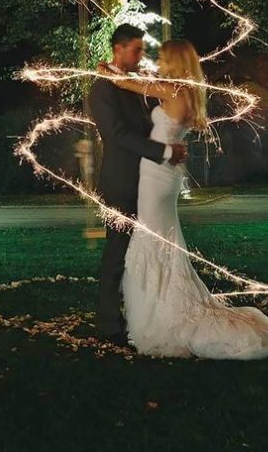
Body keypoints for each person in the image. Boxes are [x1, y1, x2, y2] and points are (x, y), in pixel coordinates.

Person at [100, 37, 268, 359]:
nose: (156, 62)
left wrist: (108, 71)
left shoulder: (175, 92)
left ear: (175, 62)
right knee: (160, 242)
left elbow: (125, 82)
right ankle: (161, 303)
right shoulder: (185, 92)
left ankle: (164, 315)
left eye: (161, 58)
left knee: (155, 243)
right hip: (163, 175)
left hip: (157, 178)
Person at [88, 24, 187, 347]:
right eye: (136, 50)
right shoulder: (103, 88)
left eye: (143, 50)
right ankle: (108, 323)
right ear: (118, 48)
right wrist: (164, 151)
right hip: (121, 181)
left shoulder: (134, 85)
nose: (141, 56)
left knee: (142, 252)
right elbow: (117, 135)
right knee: (117, 251)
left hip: (148, 181)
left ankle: (143, 313)